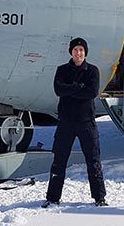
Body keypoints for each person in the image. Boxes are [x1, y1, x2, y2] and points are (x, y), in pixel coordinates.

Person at [42, 37, 107, 207]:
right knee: (59, 161)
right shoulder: (62, 70)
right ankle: (52, 198)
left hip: (86, 123)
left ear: (85, 53)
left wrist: (70, 90)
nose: (79, 53)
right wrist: (79, 87)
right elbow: (58, 90)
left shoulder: (92, 71)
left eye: (81, 50)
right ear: (71, 52)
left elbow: (92, 92)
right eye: (76, 50)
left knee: (93, 160)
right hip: (66, 123)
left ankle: (99, 198)